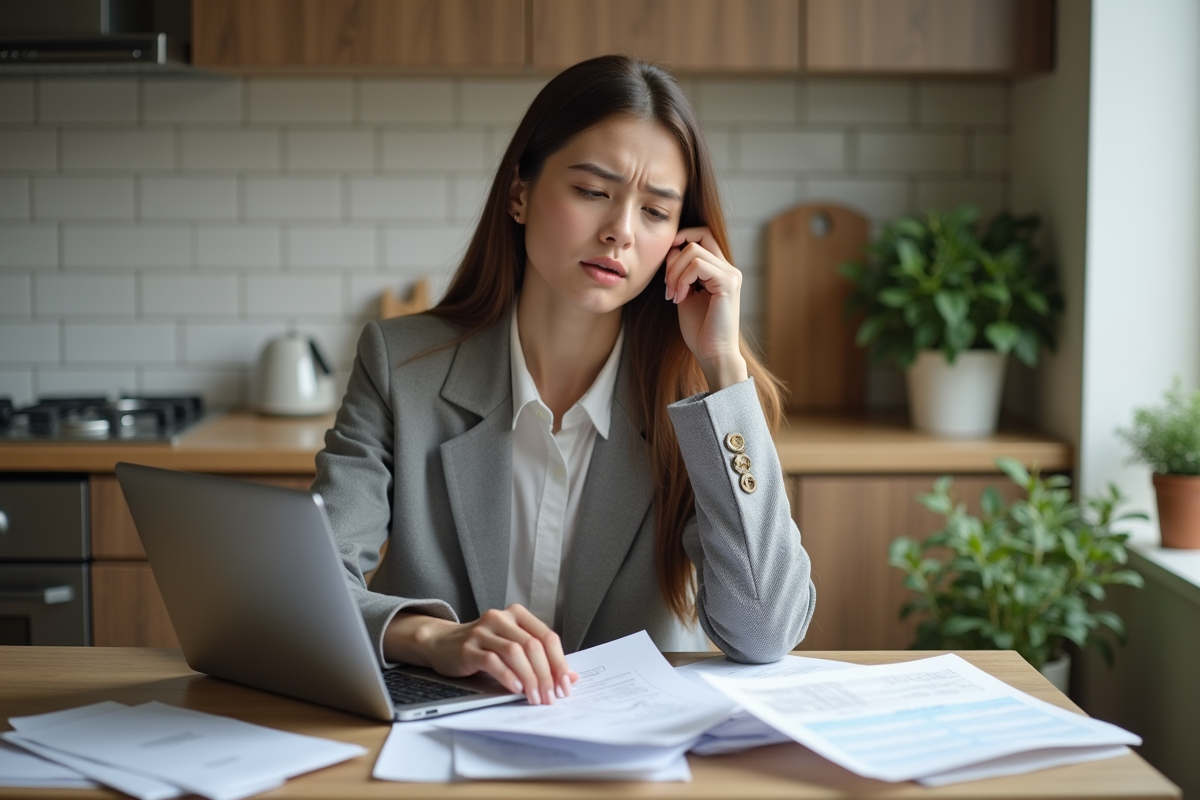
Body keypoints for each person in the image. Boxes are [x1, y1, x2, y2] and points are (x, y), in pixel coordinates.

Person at [312, 55, 815, 709]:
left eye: (656, 212)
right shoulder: (399, 363)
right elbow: (312, 588)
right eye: (592, 191)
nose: (619, 231)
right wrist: (434, 637)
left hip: (630, 755)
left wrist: (722, 365)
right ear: (519, 193)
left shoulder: (693, 397)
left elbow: (765, 633)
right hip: (438, 743)